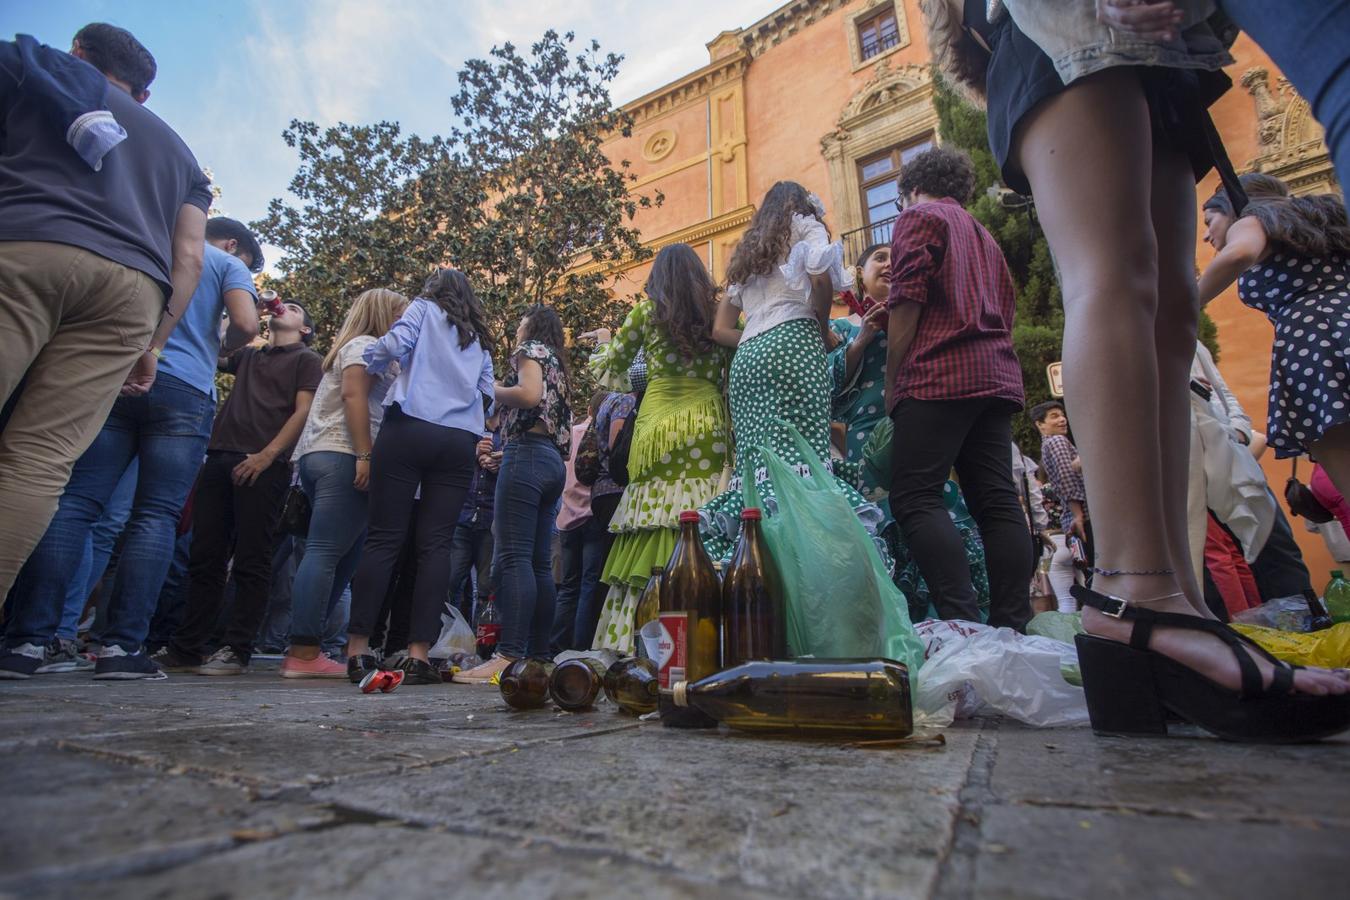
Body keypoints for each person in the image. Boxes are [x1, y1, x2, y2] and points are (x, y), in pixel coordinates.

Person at [923, 0, 1349, 742]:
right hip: (1064, 21)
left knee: (1171, 300)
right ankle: (1133, 593)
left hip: (1153, 43)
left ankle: (1173, 596)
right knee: (1111, 275)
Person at [0, 26, 213, 603]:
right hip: (131, 293)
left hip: (25, 243)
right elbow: (188, 259)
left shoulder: (32, 67)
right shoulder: (182, 155)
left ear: (78, 55)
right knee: (41, 462)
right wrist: (152, 343)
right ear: (144, 93)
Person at [0, 217, 261, 680]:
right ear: (232, 243)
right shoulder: (225, 264)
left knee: (75, 503)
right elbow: (245, 322)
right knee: (156, 515)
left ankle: (27, 642)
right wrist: (217, 341)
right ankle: (120, 649)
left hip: (117, 378)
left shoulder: (150, 246)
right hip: (184, 388)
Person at [884, 146, 1032, 631]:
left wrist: (893, 377)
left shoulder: (918, 217)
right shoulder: (984, 234)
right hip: (994, 375)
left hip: (938, 374)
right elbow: (1007, 308)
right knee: (996, 500)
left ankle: (962, 623)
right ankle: (1012, 623)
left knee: (915, 496)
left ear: (910, 189)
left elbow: (906, 300)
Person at [701, 184, 887, 568]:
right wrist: (819, 329)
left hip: (748, 357)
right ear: (804, 206)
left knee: (757, 463)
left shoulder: (748, 253)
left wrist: (758, 335)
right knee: (804, 454)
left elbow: (719, 331)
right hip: (794, 344)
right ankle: (808, 569)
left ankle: (759, 564)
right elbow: (820, 279)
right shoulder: (805, 226)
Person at [152, 301, 321, 676]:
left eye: (293, 308)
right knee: (205, 555)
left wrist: (267, 456)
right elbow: (212, 346)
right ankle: (187, 646)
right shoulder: (249, 356)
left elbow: (303, 412)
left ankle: (236, 648)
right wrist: (244, 312)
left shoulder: (307, 360)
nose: (284, 308)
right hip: (219, 457)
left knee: (252, 558)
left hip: (265, 464)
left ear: (305, 329)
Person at [345, 269, 494, 687]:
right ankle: (418, 655)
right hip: (458, 440)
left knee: (384, 538)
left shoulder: (422, 309)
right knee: (436, 546)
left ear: (433, 292)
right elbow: (486, 392)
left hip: (410, 426)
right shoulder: (479, 338)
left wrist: (375, 360)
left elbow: (392, 345)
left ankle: (359, 649)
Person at [828, 243, 991, 618]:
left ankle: (953, 619)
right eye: (879, 258)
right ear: (860, 275)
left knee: (934, 516)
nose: (888, 264)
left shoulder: (923, 317)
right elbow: (830, 391)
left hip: (925, 429)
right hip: (867, 445)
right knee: (883, 524)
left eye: (894, 259)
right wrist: (864, 336)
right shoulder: (842, 327)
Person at [584, 244, 731, 653]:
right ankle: (708, 639)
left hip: (656, 428)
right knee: (702, 511)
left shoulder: (647, 313)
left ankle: (637, 643)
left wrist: (601, 342)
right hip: (707, 424)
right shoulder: (717, 315)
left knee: (650, 519)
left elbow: (610, 367)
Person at [280, 288, 408, 679]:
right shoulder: (365, 346)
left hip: (325, 454)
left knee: (343, 556)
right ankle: (303, 652)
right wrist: (366, 455)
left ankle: (310, 646)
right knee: (325, 551)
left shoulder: (352, 347)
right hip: (344, 454)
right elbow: (355, 396)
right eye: (400, 315)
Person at [1199, 174, 1350, 500]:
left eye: (1210, 220)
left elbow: (1239, 255)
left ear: (1232, 207)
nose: (1206, 235)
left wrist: (1182, 306)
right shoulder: (1319, 215)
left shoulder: (1250, 218)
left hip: (1313, 342)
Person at [455, 306, 571, 683]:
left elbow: (528, 394)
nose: (516, 325)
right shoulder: (557, 362)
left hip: (526, 456)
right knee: (538, 563)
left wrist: (487, 388)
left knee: (513, 557)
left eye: (520, 320)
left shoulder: (530, 350)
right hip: (551, 461)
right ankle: (538, 656)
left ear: (531, 326)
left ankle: (509, 655)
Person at [551, 389, 608, 653]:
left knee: (568, 585)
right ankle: (581, 646)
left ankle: (557, 645)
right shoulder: (602, 433)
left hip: (566, 517)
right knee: (589, 583)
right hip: (593, 516)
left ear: (588, 409)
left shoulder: (570, 434)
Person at [446, 407, 502, 625]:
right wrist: (474, 451)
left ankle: (482, 644)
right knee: (450, 582)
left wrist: (500, 464)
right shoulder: (469, 429)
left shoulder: (509, 434)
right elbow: (448, 461)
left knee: (487, 588)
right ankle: (446, 639)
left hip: (490, 519)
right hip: (463, 515)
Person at [1032, 401, 1092, 573]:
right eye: (1054, 416)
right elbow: (1068, 478)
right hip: (1084, 518)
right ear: (1040, 424)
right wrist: (1078, 516)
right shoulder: (1057, 441)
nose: (1062, 420)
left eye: (1062, 415)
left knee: (1090, 576)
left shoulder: (1046, 445)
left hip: (1071, 521)